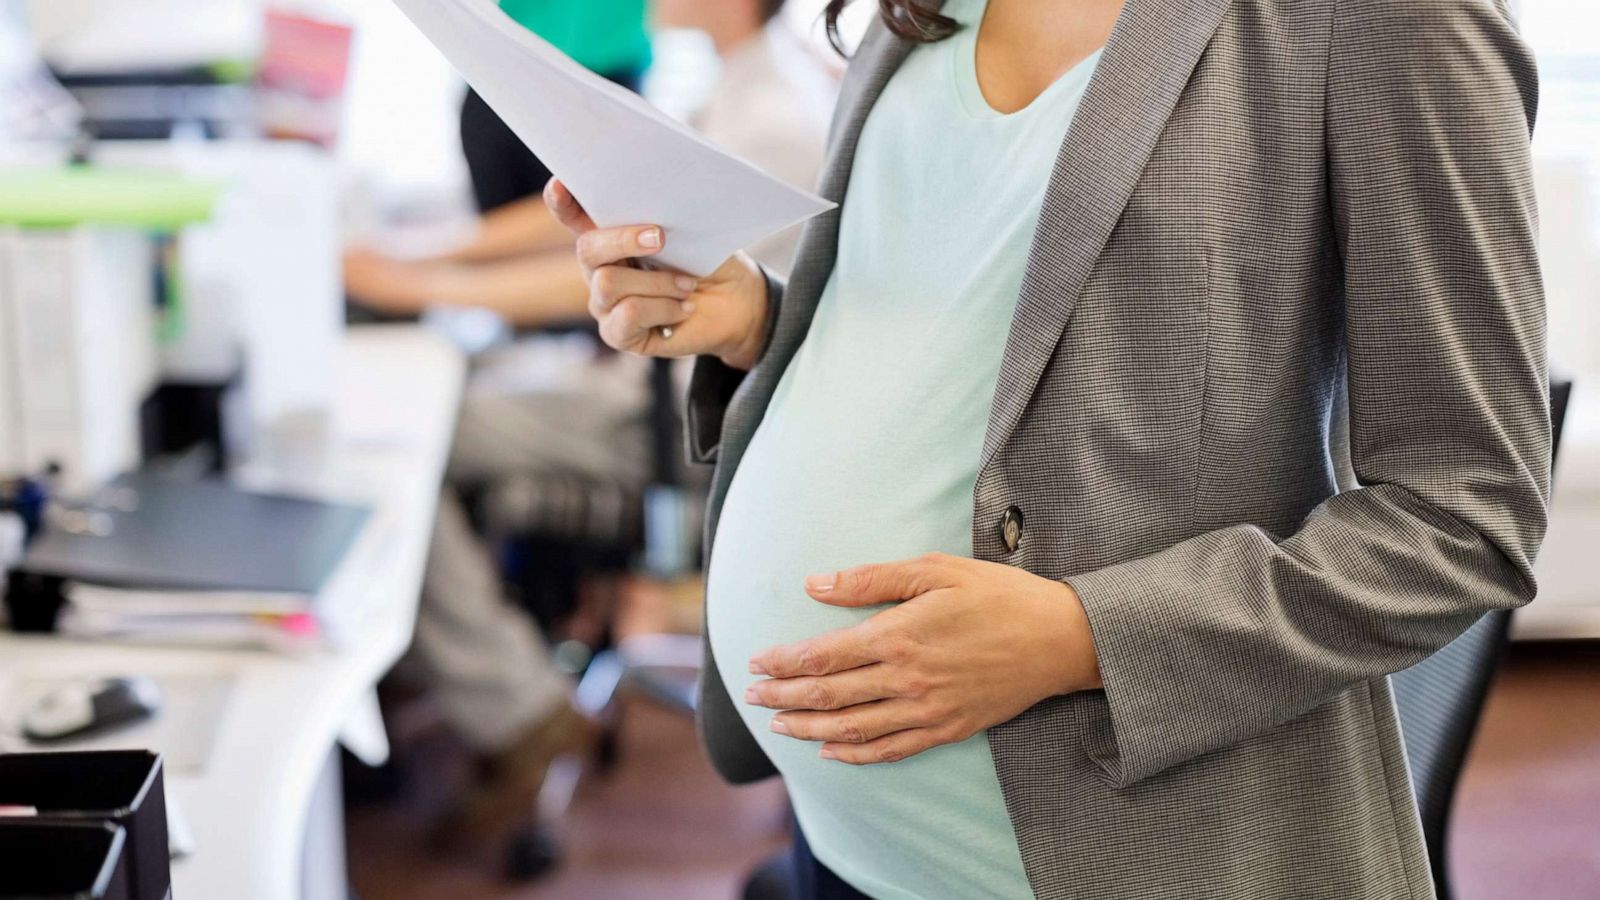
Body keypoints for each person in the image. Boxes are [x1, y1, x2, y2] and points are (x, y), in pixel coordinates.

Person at [549, 0, 1550, 896]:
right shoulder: (917, 9)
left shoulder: (1389, 18)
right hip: (851, 843)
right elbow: (968, 332)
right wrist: (756, 322)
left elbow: (1466, 515)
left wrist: (1083, 636)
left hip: (1124, 850)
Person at [385, 0, 834, 844]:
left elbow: (628, 271)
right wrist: (436, 251)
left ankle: (513, 712)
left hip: (673, 418)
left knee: (412, 438)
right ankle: (502, 690)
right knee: (448, 395)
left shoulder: (768, 116)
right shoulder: (745, 85)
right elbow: (599, 214)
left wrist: (413, 283)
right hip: (642, 389)